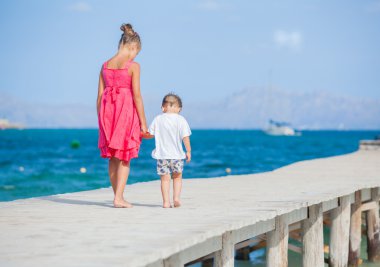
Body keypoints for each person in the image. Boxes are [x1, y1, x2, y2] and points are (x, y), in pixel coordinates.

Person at [97, 23, 148, 208]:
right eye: (136, 52)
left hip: (107, 115)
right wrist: (143, 124)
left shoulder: (104, 66)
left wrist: (101, 121)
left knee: (112, 157)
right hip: (125, 113)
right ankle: (118, 198)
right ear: (132, 47)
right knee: (125, 155)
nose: (135, 55)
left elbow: (100, 96)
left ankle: (117, 196)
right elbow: (137, 96)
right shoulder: (133, 66)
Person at [148, 93, 192, 208]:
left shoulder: (158, 119)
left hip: (162, 156)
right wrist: (188, 151)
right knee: (177, 177)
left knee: (165, 179)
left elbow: (150, 134)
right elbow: (185, 137)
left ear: (163, 107)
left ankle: (166, 202)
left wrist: (140, 134)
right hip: (177, 156)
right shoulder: (181, 120)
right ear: (179, 109)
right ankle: (176, 198)